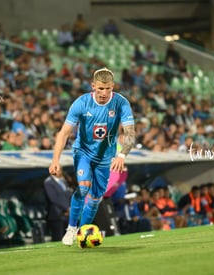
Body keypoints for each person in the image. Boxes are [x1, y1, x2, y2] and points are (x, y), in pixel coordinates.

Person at [48, 67, 135, 246]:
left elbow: (130, 134)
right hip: (84, 152)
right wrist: (55, 159)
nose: (104, 93)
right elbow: (63, 133)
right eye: (100, 88)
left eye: (108, 89)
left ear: (113, 87)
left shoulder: (121, 103)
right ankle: (71, 228)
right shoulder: (81, 103)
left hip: (106, 158)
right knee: (83, 187)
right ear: (93, 86)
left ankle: (83, 232)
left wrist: (121, 155)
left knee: (96, 198)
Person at [43, 169, 73, 242]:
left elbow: (68, 195)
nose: (59, 171)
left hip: (67, 214)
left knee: (68, 236)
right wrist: (66, 208)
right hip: (56, 214)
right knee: (58, 237)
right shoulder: (48, 182)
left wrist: (70, 207)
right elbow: (54, 198)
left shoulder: (63, 181)